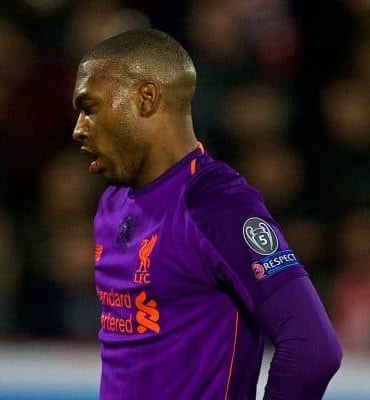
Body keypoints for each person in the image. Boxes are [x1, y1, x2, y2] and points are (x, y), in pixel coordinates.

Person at [71, 29, 342, 399]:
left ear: (146, 98)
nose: (78, 129)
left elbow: (313, 348)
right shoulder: (111, 205)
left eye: (89, 108)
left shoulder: (215, 204)